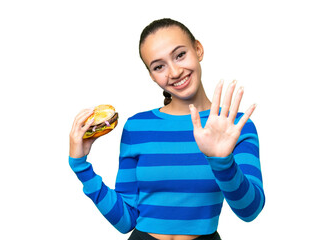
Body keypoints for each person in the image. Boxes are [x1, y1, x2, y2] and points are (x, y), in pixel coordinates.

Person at [69, 18, 265, 240]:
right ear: (152, 76)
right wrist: (80, 166)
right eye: (159, 66)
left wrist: (222, 161)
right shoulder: (137, 127)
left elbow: (250, 211)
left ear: (198, 49)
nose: (174, 72)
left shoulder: (234, 126)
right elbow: (126, 220)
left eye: (180, 55)